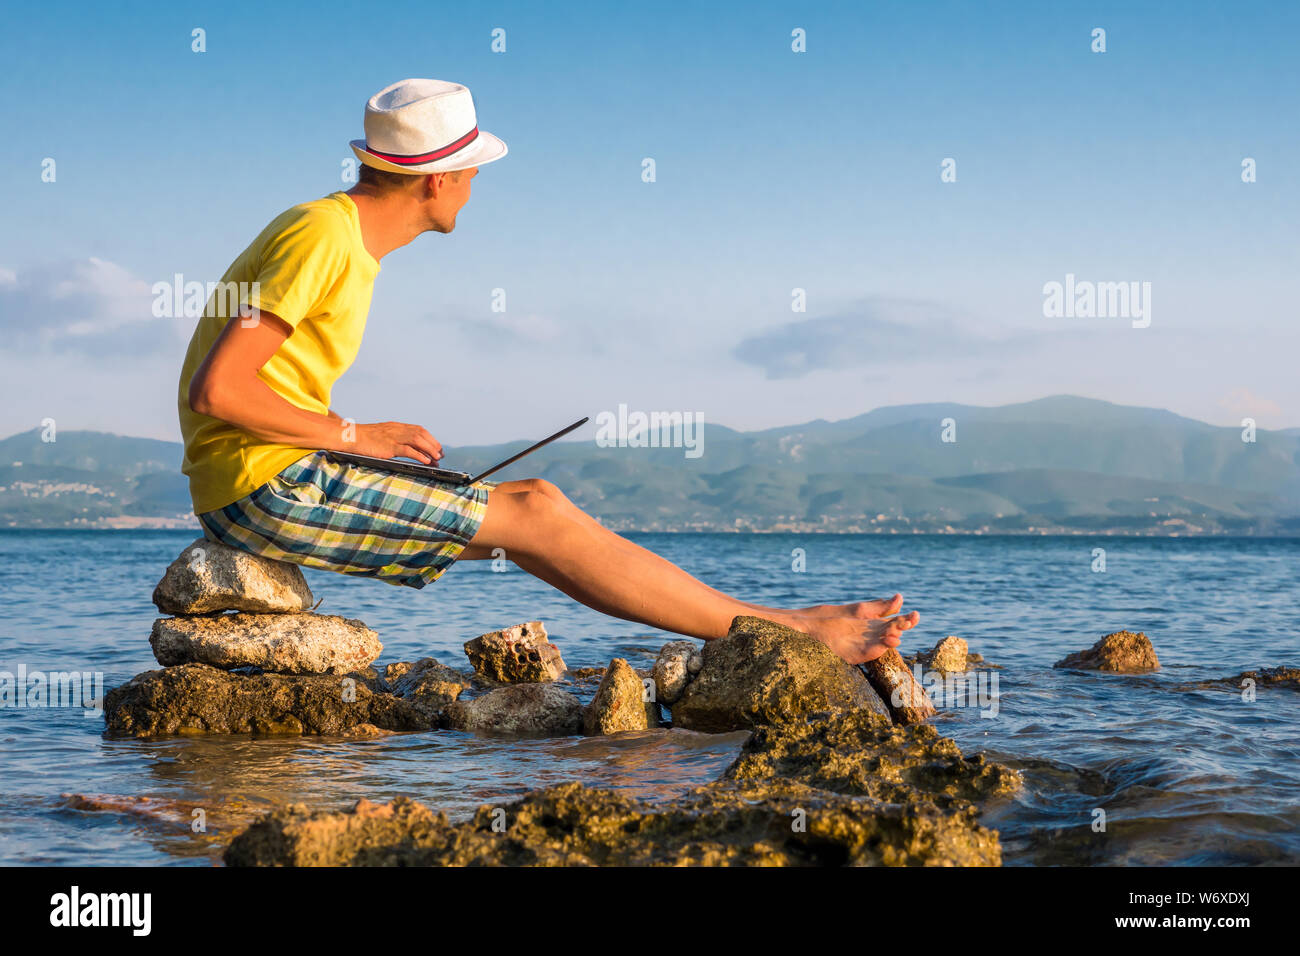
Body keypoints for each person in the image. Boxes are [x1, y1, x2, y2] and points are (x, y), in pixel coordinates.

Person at [179, 78, 919, 665]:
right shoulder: (323, 236)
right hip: (264, 487)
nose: (475, 185)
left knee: (536, 505)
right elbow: (220, 390)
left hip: (276, 473)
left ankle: (775, 626)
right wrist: (356, 435)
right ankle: (788, 632)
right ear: (439, 179)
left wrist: (351, 439)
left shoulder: (338, 237)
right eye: (472, 171)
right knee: (533, 516)